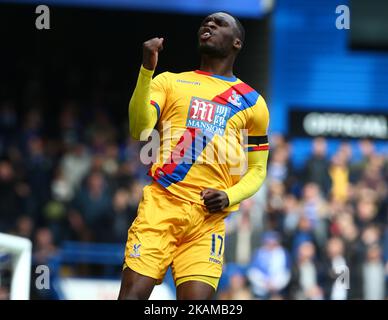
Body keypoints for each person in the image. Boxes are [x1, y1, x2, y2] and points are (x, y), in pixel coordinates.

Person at [118, 12, 270, 300]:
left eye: (219, 23)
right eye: (206, 22)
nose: (209, 25)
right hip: (162, 206)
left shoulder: (253, 103)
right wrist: (146, 70)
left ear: (237, 42)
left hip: (207, 220)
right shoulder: (169, 82)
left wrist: (229, 196)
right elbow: (139, 129)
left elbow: (258, 170)